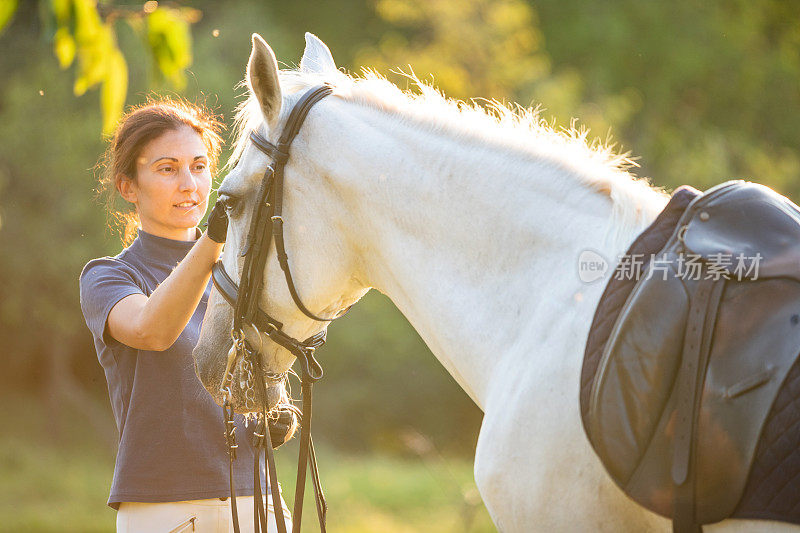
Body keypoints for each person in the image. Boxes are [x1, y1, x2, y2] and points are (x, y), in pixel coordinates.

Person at [79, 97, 292, 532]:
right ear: (128, 187)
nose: (189, 184)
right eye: (167, 168)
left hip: (260, 500)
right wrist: (215, 240)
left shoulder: (243, 272)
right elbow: (150, 330)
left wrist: (276, 407)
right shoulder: (108, 276)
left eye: (198, 165)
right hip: (166, 507)